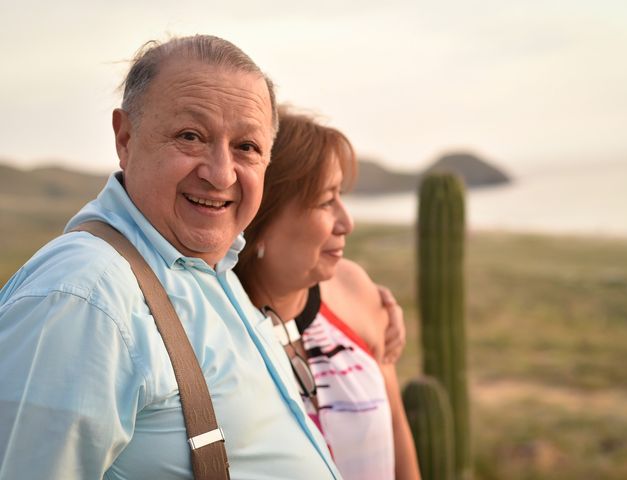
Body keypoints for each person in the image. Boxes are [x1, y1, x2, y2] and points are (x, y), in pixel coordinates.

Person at [0, 36, 341, 479]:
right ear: (126, 138)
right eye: (190, 137)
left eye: (247, 147)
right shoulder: (83, 296)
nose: (220, 173)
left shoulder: (209, 266)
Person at [235, 108, 421, 480]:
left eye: (341, 196)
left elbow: (400, 445)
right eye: (325, 201)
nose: (346, 222)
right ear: (261, 217)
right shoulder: (215, 327)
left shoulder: (355, 291)